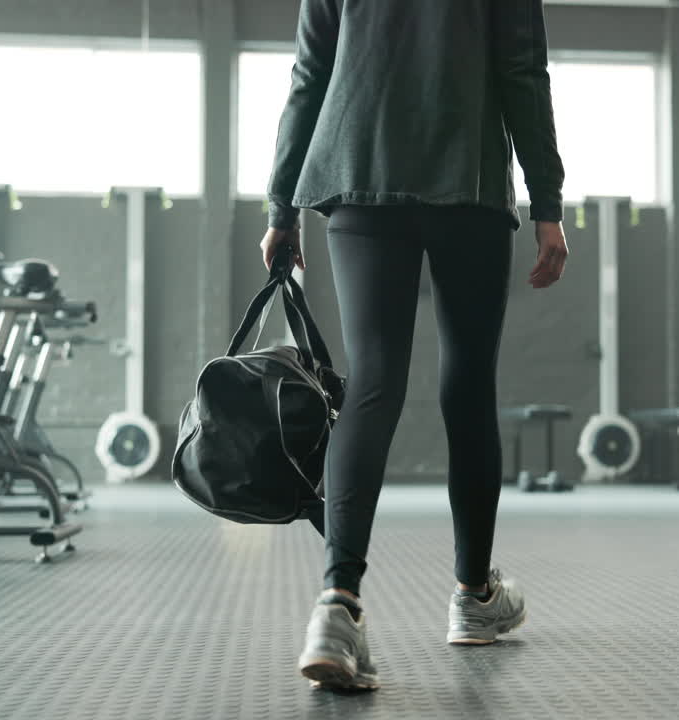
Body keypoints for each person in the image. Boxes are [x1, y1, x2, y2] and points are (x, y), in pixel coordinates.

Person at [260, 0, 568, 691]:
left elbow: (309, 71)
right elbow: (524, 71)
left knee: (371, 383)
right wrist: (547, 203)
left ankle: (338, 604)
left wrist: (281, 206)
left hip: (359, 167)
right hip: (469, 180)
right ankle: (473, 596)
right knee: (467, 388)